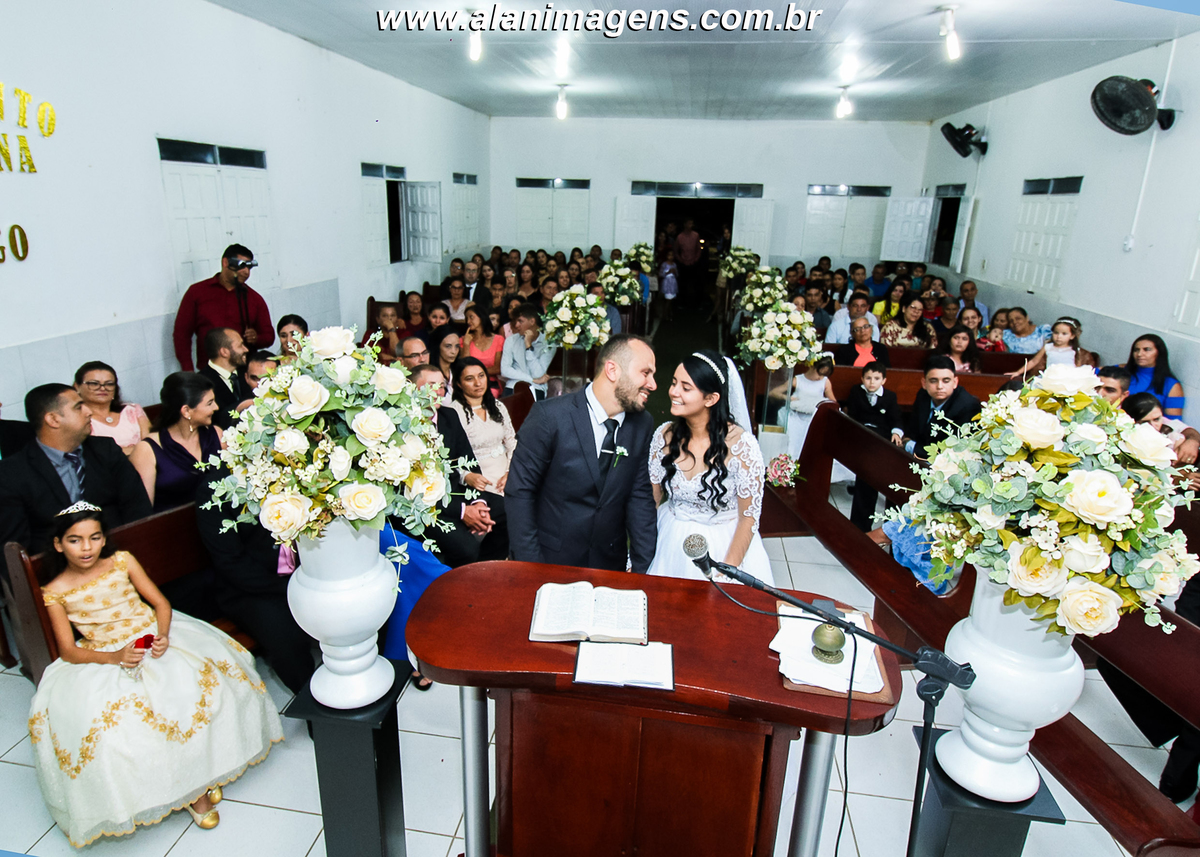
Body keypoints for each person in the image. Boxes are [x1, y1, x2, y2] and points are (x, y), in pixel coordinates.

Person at [29, 504, 283, 845]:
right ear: (58, 544)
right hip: (106, 654)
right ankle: (193, 792)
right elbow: (68, 651)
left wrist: (161, 635)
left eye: (95, 537)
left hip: (150, 634)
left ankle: (205, 773)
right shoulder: (55, 591)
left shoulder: (122, 561)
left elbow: (161, 604)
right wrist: (115, 657)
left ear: (104, 538)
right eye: (75, 540)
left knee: (197, 691)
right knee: (129, 722)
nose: (87, 548)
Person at [506, 334, 658, 573]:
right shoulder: (550, 417)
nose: (653, 384)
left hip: (609, 564)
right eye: (645, 373)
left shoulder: (642, 424)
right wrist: (530, 565)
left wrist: (643, 569)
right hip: (551, 560)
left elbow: (639, 496)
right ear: (612, 370)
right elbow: (520, 493)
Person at [647, 351, 772, 585]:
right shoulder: (664, 435)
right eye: (674, 383)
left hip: (723, 544)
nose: (673, 392)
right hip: (670, 538)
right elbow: (650, 500)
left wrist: (726, 573)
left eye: (686, 387)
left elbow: (748, 519)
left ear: (711, 399)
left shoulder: (742, 446)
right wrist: (640, 553)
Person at [194, 476, 316, 695]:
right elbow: (230, 561)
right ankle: (311, 700)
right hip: (250, 588)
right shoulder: (215, 490)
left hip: (301, 572)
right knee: (285, 637)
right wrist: (288, 588)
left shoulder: (288, 470)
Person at [0, 385, 152, 558]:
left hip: (119, 553)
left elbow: (138, 509)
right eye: (79, 407)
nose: (89, 412)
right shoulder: (12, 472)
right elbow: (14, 546)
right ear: (53, 419)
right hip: (56, 565)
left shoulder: (106, 450)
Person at [408, 364, 506, 567]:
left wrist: (478, 502)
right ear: (413, 389)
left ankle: (484, 569)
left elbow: (469, 460)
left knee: (508, 511)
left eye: (441, 386)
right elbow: (411, 490)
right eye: (431, 385)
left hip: (457, 491)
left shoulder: (449, 415)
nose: (438, 392)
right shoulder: (405, 425)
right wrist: (462, 511)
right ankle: (455, 577)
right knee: (465, 547)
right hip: (426, 504)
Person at [129, 373, 224, 512]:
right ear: (186, 411)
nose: (216, 407)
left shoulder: (217, 434)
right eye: (210, 403)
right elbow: (143, 513)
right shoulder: (147, 450)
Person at [173, 244, 273, 372]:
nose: (246, 272)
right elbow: (181, 334)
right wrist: (188, 370)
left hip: (244, 370)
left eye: (249, 267)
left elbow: (269, 336)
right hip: (210, 370)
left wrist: (256, 338)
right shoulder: (197, 293)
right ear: (225, 262)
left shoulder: (254, 299)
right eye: (242, 265)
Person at [448, 357, 517, 531]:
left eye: (481, 376)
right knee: (504, 514)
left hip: (506, 473)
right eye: (469, 379)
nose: (478, 383)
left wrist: (510, 472)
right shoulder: (453, 413)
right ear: (458, 384)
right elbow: (448, 459)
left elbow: (511, 442)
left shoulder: (498, 406)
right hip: (479, 479)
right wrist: (466, 476)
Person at [845, 362, 904, 530]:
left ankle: (889, 527)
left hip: (881, 439)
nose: (872, 382)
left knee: (884, 472)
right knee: (865, 479)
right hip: (862, 435)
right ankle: (859, 526)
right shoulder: (856, 392)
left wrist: (896, 432)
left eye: (876, 378)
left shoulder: (890, 396)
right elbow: (853, 415)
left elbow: (895, 418)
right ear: (862, 378)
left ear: (883, 380)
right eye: (868, 378)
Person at [902, 356, 982, 458]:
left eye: (946, 381)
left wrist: (909, 446)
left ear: (955, 382)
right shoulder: (923, 395)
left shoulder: (968, 406)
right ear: (924, 383)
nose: (939, 386)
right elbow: (912, 431)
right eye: (933, 381)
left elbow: (952, 453)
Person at [75, 361, 150, 454]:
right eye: (94, 384)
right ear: (77, 387)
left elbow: (150, 447)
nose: (102, 388)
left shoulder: (133, 410)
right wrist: (136, 449)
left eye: (109, 384)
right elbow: (93, 455)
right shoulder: (78, 419)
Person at [780, 356, 836, 459]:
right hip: (797, 417)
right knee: (793, 442)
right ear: (812, 367)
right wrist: (787, 397)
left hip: (814, 418)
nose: (820, 377)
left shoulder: (825, 382)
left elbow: (833, 402)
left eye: (823, 375)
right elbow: (774, 392)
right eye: (819, 373)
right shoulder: (798, 380)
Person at [1123, 393, 1200, 466]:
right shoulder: (1122, 436)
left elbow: (1189, 431)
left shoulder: (1167, 427)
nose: (1153, 426)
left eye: (1156, 419)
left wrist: (1193, 442)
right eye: (1145, 422)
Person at [1006, 317, 1097, 379]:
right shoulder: (1048, 347)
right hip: (1050, 379)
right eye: (1056, 333)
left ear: (1072, 336)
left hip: (1068, 380)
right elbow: (1034, 361)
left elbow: (1078, 367)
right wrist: (1018, 372)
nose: (1059, 336)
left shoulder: (1075, 350)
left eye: (1064, 334)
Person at [198, 328, 253, 430]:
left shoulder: (248, 372)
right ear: (224, 352)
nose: (246, 349)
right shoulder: (201, 383)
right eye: (240, 345)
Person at [501, 303, 555, 399]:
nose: (516, 325)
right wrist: (531, 379)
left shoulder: (548, 343)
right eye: (516, 321)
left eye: (520, 321)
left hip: (536, 388)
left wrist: (528, 347)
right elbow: (505, 370)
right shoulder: (511, 340)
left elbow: (538, 374)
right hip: (513, 386)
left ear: (532, 321)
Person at [1126, 334, 1185, 417]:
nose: (1139, 354)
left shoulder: (1171, 385)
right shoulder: (1122, 372)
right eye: (1136, 350)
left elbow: (1173, 420)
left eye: (1147, 349)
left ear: (1159, 353)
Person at [462, 305, 504, 397]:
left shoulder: (498, 339)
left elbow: (497, 368)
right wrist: (466, 344)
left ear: (481, 317)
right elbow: (464, 366)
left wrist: (475, 373)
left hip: (490, 383)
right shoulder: (464, 340)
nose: (468, 321)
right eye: (466, 318)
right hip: (469, 383)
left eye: (471, 317)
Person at [674, 219, 703, 306]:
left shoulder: (695, 235)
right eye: (689, 223)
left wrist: (696, 259)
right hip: (683, 263)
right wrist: (681, 260)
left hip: (693, 263)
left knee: (694, 284)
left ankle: (694, 303)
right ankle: (682, 303)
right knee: (682, 284)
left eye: (692, 223)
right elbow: (676, 250)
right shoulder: (680, 237)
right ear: (685, 224)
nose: (691, 225)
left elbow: (699, 249)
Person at [429, 327, 462, 398]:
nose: (453, 351)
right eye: (448, 346)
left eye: (457, 346)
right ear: (437, 346)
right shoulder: (429, 374)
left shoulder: (458, 371)